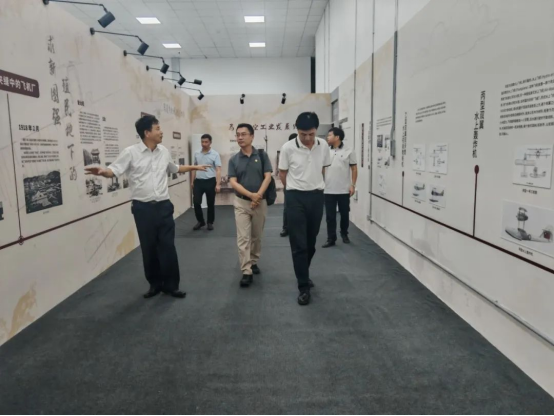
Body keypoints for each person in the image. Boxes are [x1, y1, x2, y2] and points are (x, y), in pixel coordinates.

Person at [85, 115, 209, 299]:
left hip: (164, 206)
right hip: (143, 209)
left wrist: (194, 167)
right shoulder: (130, 152)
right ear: (147, 132)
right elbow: (114, 170)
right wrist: (104, 172)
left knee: (168, 247)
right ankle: (155, 284)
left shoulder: (163, 151)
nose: (161, 132)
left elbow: (174, 168)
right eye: (157, 129)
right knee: (149, 247)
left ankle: (171, 286)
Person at [279, 112, 331, 306]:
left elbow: (323, 168)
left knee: (311, 242)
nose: (307, 138)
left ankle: (303, 272)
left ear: (316, 130)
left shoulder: (323, 145)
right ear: (297, 130)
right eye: (303, 134)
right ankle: (303, 286)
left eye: (311, 134)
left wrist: (314, 184)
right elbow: (282, 173)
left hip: (316, 197)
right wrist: (293, 190)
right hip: (295, 198)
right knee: (299, 244)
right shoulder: (288, 148)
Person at [228, 123, 273, 288]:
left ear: (252, 136)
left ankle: (253, 261)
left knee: (256, 236)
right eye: (238, 134)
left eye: (243, 134)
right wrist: (250, 195)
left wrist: (258, 195)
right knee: (243, 238)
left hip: (259, 203)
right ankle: (246, 271)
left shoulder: (261, 155)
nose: (240, 137)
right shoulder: (233, 159)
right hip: (241, 203)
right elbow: (233, 182)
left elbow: (268, 177)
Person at [323, 127, 358, 247]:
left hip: (344, 189)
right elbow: (322, 168)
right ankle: (331, 238)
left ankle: (344, 234)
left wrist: (353, 185)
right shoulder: (325, 151)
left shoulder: (349, 150)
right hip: (328, 189)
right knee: (330, 216)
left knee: (344, 214)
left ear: (337, 137)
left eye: (330, 135)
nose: (327, 137)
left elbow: (354, 168)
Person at [191, 134, 222, 231]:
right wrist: (192, 181)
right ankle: (200, 221)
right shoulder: (196, 153)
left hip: (210, 181)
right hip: (198, 182)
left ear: (210, 142)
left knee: (210, 203)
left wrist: (218, 184)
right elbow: (194, 168)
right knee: (196, 202)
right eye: (202, 142)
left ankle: (210, 222)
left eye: (206, 142)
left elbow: (218, 170)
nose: (204, 144)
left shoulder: (215, 154)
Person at [280, 133, 298, 237]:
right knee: (287, 208)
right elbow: (282, 172)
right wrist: (286, 185)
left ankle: (296, 228)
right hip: (289, 186)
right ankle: (285, 228)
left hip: (300, 186)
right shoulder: (286, 151)